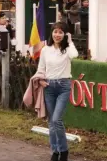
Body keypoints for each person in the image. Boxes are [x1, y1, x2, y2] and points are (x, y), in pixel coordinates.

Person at [36, 21, 79, 161]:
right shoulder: (45, 49)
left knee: (56, 119)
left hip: (63, 86)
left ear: (65, 34)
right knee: (51, 122)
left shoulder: (67, 49)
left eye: (61, 32)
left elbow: (75, 55)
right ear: (51, 33)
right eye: (55, 31)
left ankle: (64, 151)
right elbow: (41, 68)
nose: (57, 35)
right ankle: (55, 151)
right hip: (48, 87)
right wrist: (41, 80)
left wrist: (70, 40)